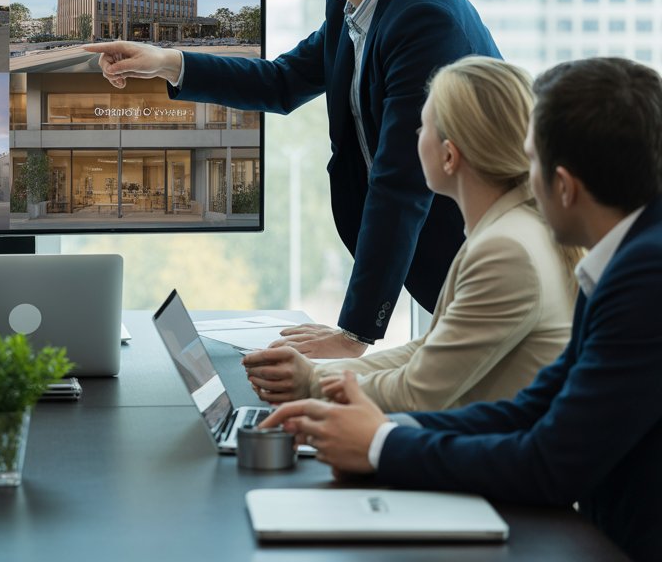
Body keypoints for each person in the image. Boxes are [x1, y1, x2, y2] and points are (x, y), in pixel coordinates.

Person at [86, 0, 500, 358]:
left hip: (477, 261)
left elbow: (401, 183)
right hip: (448, 262)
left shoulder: (423, 19)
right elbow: (282, 82)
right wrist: (166, 61)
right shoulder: (359, 2)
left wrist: (354, 334)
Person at [261, 57, 662, 562]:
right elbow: (535, 408)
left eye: (533, 162)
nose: (526, 180)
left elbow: (551, 461)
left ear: (565, 186)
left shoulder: (642, 278)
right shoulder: (622, 261)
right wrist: (382, 436)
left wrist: (380, 445)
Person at [243, 56, 578, 410]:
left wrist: (313, 383)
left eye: (422, 127)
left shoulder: (507, 249)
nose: (415, 136)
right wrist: (315, 373)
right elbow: (428, 350)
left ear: (449, 156)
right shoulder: (514, 229)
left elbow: (419, 390)